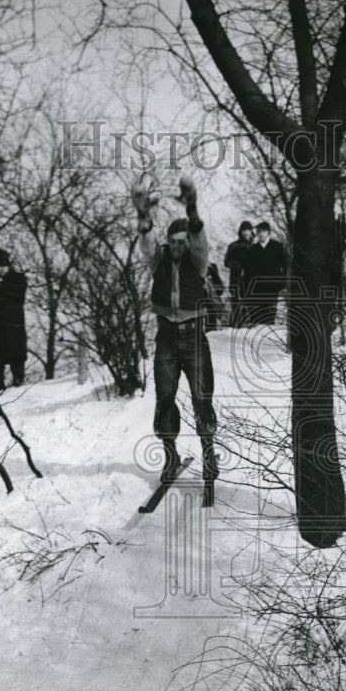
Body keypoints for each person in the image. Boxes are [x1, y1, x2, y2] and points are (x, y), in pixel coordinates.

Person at [131, 175, 218, 486]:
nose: (178, 246)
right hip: (166, 335)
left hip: (194, 336)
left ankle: (209, 454)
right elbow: (147, 242)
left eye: (183, 241)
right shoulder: (160, 261)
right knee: (165, 397)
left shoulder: (198, 261)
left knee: (201, 397)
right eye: (174, 241)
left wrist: (192, 207)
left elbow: (200, 236)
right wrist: (143, 214)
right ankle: (170, 455)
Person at [0, 250, 28, 390]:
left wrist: (4, 283)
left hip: (13, 324)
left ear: (8, 266)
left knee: (16, 355)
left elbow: (19, 297)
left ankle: (18, 380)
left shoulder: (18, 278)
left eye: (2, 266)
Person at [245, 221, 287, 326]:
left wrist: (282, 282)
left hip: (272, 286)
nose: (260, 234)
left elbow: (285, 266)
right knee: (257, 317)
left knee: (270, 316)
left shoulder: (277, 246)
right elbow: (248, 271)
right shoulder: (253, 250)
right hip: (257, 288)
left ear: (268, 232)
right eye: (258, 231)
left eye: (263, 231)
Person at [223, 220, 255, 327]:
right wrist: (238, 265)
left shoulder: (255, 247)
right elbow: (227, 262)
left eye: (248, 230)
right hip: (236, 280)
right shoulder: (233, 246)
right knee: (236, 305)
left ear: (251, 232)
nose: (246, 233)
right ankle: (235, 328)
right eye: (244, 230)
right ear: (240, 232)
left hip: (251, 281)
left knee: (251, 306)